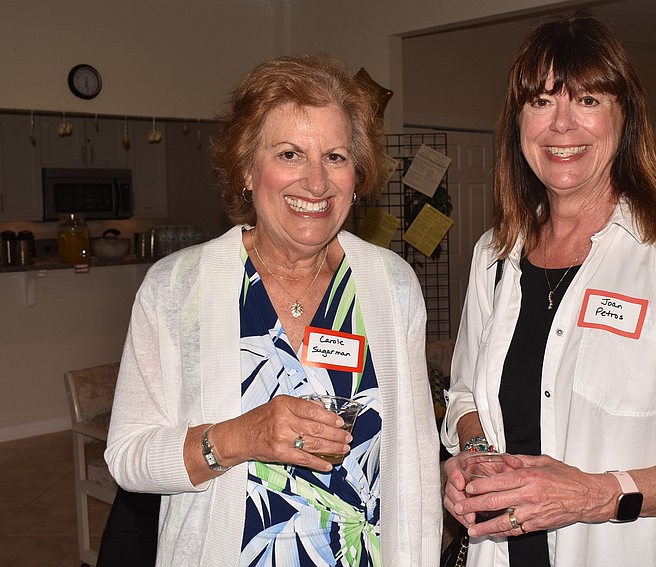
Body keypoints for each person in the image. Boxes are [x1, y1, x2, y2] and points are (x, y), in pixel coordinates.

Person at [441, 11, 656, 567]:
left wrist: (594, 495)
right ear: (518, 123)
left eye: (588, 100)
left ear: (626, 119)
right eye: (541, 101)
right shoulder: (493, 256)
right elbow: (466, 399)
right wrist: (475, 460)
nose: (561, 125)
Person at [106, 54, 441, 567]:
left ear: (357, 174)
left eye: (335, 157)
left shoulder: (391, 284)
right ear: (246, 169)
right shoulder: (176, 287)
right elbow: (127, 458)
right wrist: (243, 437)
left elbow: (416, 464)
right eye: (289, 154)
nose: (315, 182)